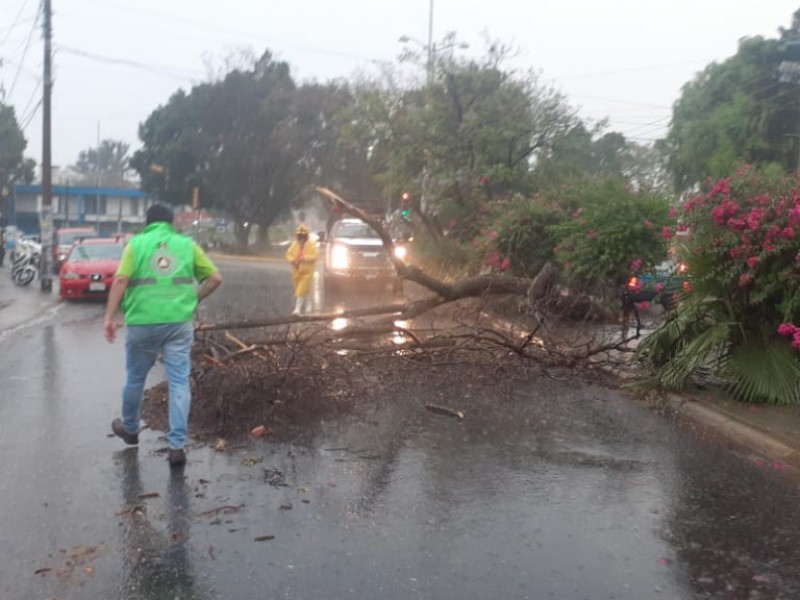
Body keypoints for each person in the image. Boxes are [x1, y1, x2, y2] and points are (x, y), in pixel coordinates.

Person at [103, 203, 223, 468]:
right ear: (171, 223)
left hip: (142, 323)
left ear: (147, 223)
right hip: (178, 323)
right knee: (179, 381)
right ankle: (177, 446)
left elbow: (121, 280)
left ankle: (131, 428)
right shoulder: (186, 245)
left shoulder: (136, 245)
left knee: (136, 377)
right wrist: (194, 300)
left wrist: (109, 317)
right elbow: (215, 278)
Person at [285, 224, 319, 315]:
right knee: (302, 290)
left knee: (301, 291)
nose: (301, 238)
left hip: (307, 273)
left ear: (306, 236)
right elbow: (288, 254)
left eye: (303, 236)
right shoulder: (294, 245)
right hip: (296, 272)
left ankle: (297, 309)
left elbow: (315, 256)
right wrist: (293, 261)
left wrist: (304, 258)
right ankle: (308, 303)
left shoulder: (311, 245)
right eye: (300, 236)